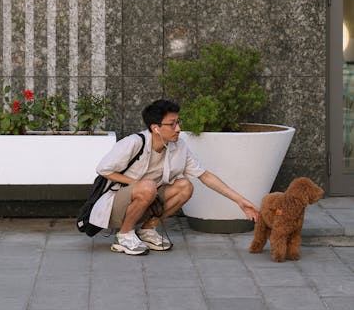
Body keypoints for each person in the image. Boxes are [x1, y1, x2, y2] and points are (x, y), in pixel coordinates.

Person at [89, 99, 260, 255]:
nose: (178, 128)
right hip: (115, 205)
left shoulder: (178, 146)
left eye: (178, 122)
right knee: (148, 186)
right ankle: (123, 236)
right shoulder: (134, 142)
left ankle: (147, 230)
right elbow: (103, 169)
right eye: (172, 124)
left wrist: (239, 200)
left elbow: (205, 175)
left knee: (185, 186)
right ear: (155, 128)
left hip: (148, 198)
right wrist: (137, 183)